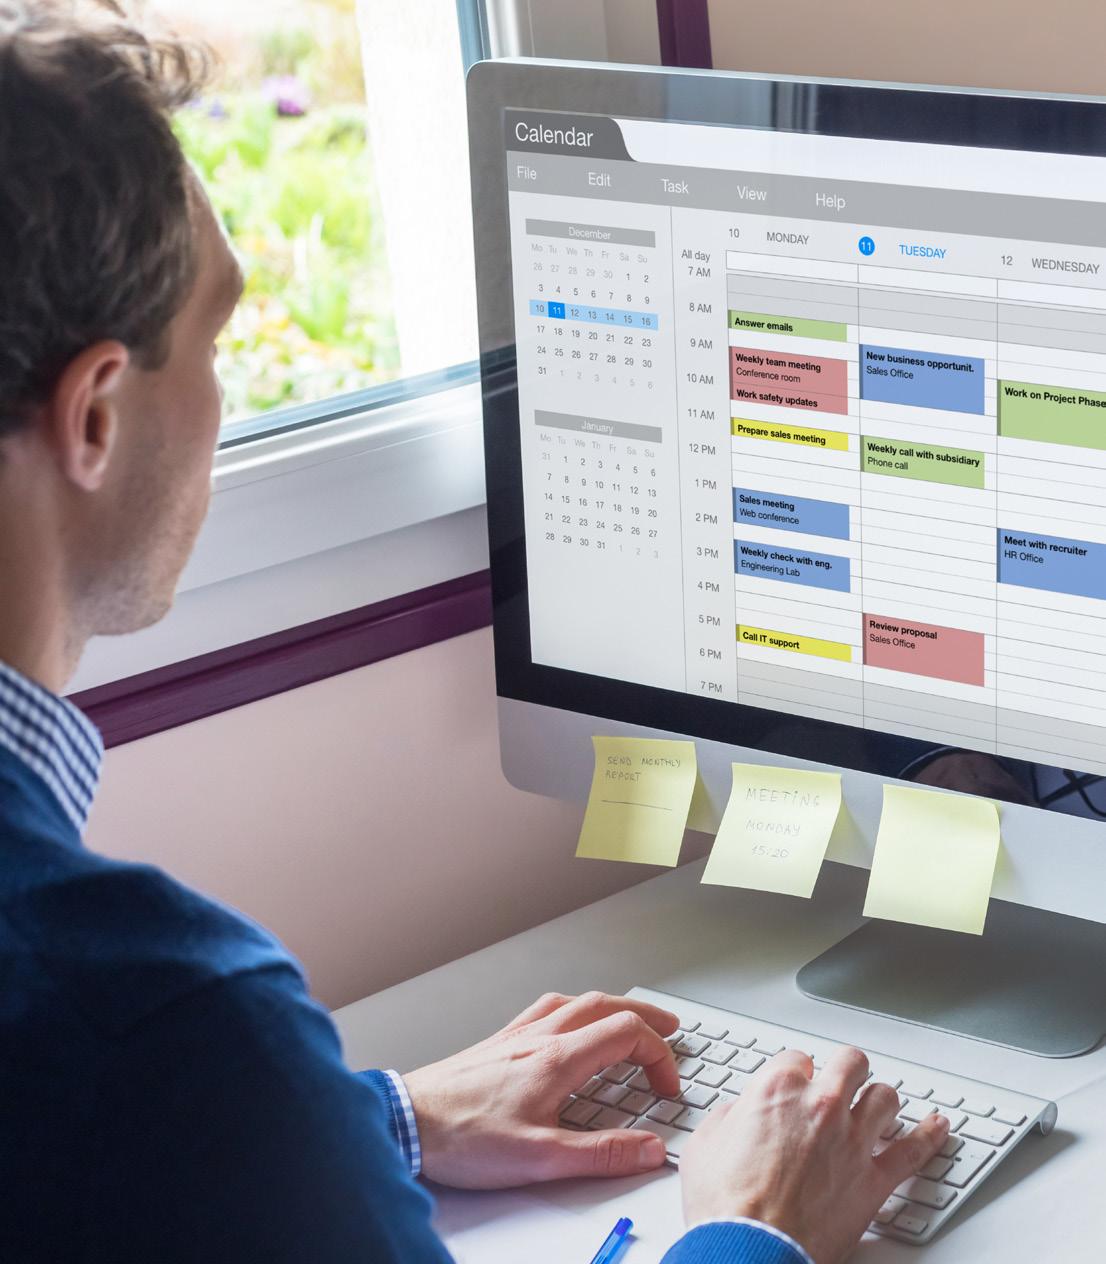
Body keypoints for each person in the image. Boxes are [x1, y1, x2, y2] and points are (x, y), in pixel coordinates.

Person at [0, 3, 949, 1260]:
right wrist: (749, 1231)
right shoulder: (164, 1026)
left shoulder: (154, 1059)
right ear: (95, 415)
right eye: (216, 338)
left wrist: (366, 1123)